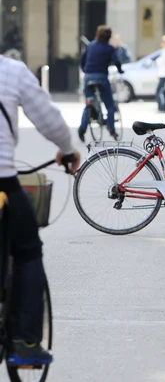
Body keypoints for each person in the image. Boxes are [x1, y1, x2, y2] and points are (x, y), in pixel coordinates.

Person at [0, 54, 81, 365]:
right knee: (28, 252)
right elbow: (49, 119)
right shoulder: (11, 71)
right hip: (3, 182)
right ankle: (25, 341)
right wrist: (66, 149)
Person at [78, 25, 124, 142]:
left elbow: (82, 60)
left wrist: (85, 70)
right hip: (102, 77)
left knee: (89, 102)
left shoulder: (91, 46)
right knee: (109, 104)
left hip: (88, 77)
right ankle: (112, 129)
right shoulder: (109, 48)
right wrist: (120, 70)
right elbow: (117, 61)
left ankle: (82, 128)